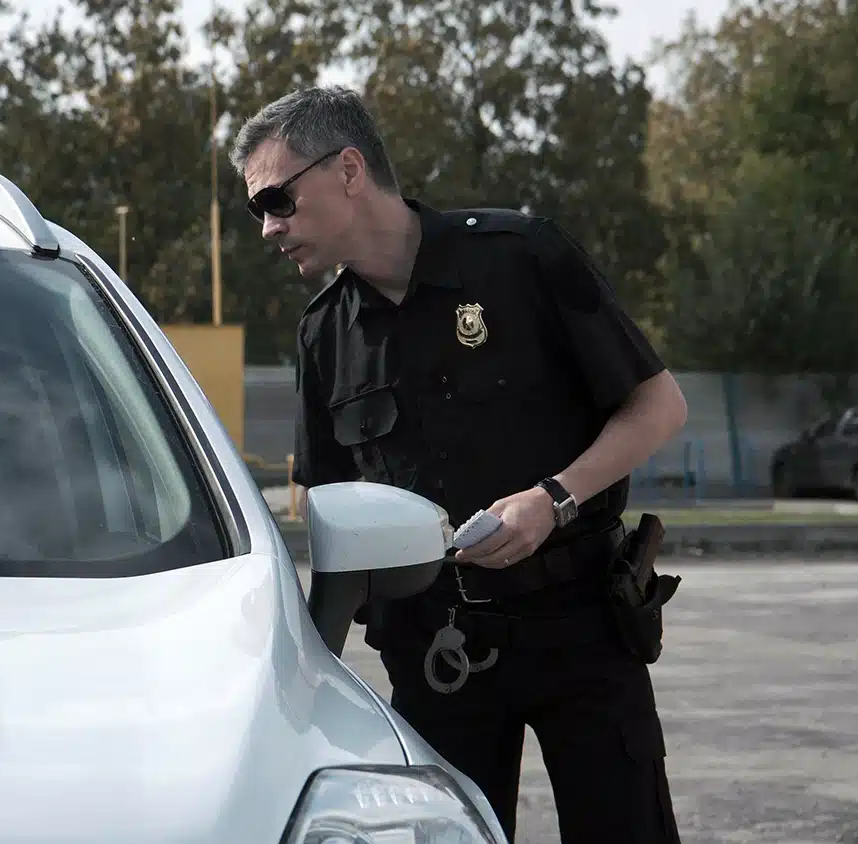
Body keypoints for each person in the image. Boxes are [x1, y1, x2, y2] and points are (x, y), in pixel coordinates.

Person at [229, 85, 689, 843]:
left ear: (348, 169)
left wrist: (554, 499)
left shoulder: (522, 258)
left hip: (581, 627)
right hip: (438, 653)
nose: (269, 228)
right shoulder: (324, 337)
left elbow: (658, 406)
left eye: (276, 200)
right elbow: (329, 514)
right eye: (259, 211)